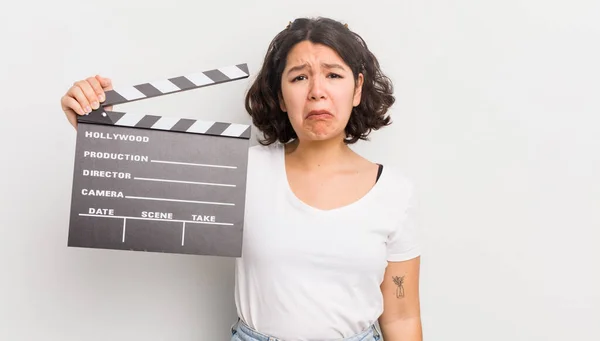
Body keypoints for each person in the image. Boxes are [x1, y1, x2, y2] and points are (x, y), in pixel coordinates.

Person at [60, 16, 422, 341]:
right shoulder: (241, 171)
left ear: (357, 88)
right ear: (281, 96)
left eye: (333, 74)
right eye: (299, 77)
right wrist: (96, 123)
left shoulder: (394, 193)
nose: (316, 91)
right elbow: (137, 184)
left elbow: (402, 317)